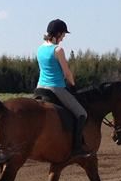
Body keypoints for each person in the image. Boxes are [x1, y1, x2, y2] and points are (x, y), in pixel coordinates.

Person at [37, 19, 91, 157]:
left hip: (39, 88)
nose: (63, 38)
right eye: (63, 35)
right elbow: (67, 73)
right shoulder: (58, 50)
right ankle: (77, 148)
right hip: (56, 88)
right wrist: (73, 84)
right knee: (81, 113)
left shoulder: (40, 48)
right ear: (58, 33)